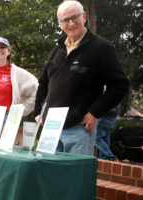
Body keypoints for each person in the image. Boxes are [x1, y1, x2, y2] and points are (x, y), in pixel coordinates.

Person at [34, 1, 129, 155]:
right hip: (50, 130)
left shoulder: (102, 48)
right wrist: (38, 112)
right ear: (60, 24)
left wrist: (95, 113)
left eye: (75, 18)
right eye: (65, 20)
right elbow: (43, 84)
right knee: (48, 176)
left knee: (75, 177)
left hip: (78, 128)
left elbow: (120, 85)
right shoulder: (57, 50)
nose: (70, 23)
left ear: (84, 17)